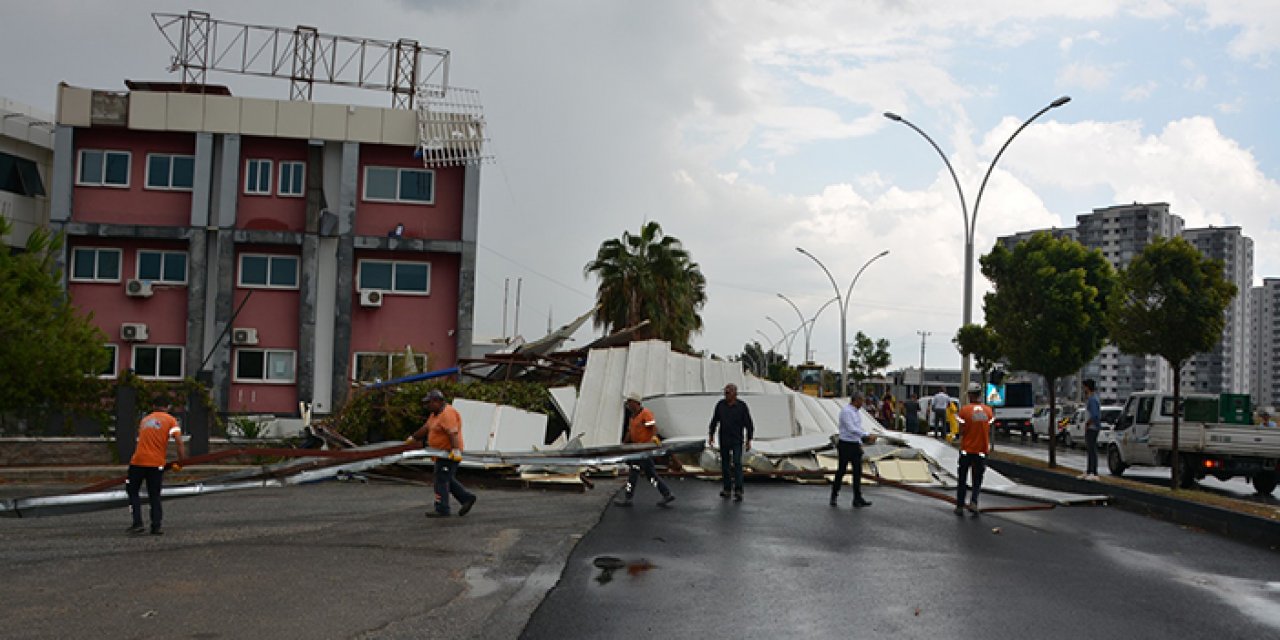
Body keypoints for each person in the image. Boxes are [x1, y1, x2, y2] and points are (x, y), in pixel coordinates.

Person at [407, 390, 477, 518]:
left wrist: (455, 450)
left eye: (429, 403)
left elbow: (453, 433)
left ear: (438, 401)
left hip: (449, 454)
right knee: (446, 478)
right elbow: (426, 428)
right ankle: (466, 498)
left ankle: (442, 508)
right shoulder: (435, 414)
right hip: (441, 454)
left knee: (441, 479)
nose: (427, 405)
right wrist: (413, 438)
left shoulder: (447, 413)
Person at [126, 410, 186, 535]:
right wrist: (181, 461)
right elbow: (179, 441)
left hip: (138, 461)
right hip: (156, 463)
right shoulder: (170, 420)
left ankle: (137, 523)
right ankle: (156, 526)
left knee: (133, 491)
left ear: (154, 407)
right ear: (167, 407)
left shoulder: (145, 420)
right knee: (154, 495)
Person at [617, 394, 675, 507]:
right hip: (637, 449)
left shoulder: (645, 414)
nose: (628, 405)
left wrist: (653, 438)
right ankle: (666, 493)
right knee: (650, 475)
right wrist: (624, 444)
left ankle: (628, 497)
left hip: (644, 450)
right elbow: (630, 432)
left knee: (634, 474)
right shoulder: (633, 416)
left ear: (636, 403)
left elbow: (652, 427)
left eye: (630, 402)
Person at [708, 383, 754, 501]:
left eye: (728, 393)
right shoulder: (720, 405)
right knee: (725, 465)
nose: (726, 395)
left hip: (737, 439)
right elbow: (714, 421)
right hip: (724, 439)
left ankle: (738, 489)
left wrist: (749, 439)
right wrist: (711, 435)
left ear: (734, 393)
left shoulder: (742, 407)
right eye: (725, 392)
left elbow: (749, 424)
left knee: (737, 463)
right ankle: (727, 489)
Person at [830, 393, 876, 508]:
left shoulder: (856, 412)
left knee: (857, 472)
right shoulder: (846, 412)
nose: (863, 403)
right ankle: (834, 495)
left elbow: (857, 429)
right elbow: (851, 429)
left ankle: (857, 498)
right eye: (862, 401)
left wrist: (860, 442)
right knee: (841, 470)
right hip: (845, 444)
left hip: (855, 444)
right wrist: (866, 435)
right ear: (857, 400)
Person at [955, 385, 994, 515]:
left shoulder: (964, 411)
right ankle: (974, 502)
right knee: (977, 479)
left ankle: (960, 505)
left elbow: (961, 431)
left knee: (962, 478)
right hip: (982, 450)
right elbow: (989, 427)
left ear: (970, 395)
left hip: (967, 449)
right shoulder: (988, 411)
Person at [1080, 379, 1102, 480]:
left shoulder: (1093, 399)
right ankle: (1089, 471)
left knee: (1092, 449)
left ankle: (1093, 472)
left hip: (1092, 428)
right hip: (1092, 427)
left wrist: (1088, 424)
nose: (1083, 389)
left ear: (1088, 387)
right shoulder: (1091, 398)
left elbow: (1094, 415)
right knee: (1090, 449)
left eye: (1084, 387)